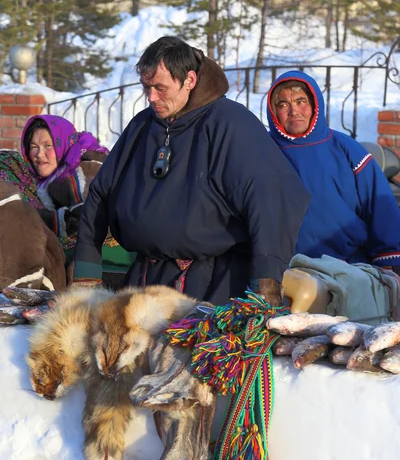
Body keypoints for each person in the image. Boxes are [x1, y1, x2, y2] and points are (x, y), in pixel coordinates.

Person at [72, 36, 310, 305]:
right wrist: (86, 272)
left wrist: (266, 282)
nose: (151, 97)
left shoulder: (231, 123)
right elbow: (101, 194)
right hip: (143, 283)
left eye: (160, 88)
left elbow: (272, 198)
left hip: (212, 286)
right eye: (146, 87)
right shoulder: (142, 125)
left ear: (190, 80)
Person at [267, 70, 400, 272]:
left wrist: (388, 263)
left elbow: (379, 205)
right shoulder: (261, 150)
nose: (294, 110)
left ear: (314, 105)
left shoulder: (346, 148)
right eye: (283, 104)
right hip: (283, 272)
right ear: (273, 111)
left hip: (348, 268)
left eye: (301, 101)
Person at [20, 115, 109, 249]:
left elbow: (87, 222)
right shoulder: (43, 178)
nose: (39, 154)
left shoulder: (81, 174)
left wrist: (34, 218)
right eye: (34, 146)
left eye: (48, 146)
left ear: (63, 143)